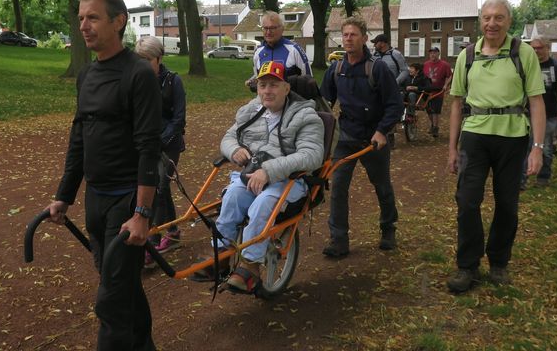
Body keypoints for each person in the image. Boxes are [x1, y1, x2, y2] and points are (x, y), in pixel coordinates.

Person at [45, 0, 162, 350]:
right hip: (97, 200)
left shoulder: (139, 75)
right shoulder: (87, 75)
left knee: (109, 300)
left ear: (119, 21)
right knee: (121, 284)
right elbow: (79, 137)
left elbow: (149, 148)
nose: (84, 25)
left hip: (128, 202)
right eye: (81, 18)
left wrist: (142, 213)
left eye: (93, 17)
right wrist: (64, 195)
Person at [446, 0, 546, 293]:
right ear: (480, 21)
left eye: (499, 18)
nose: (492, 23)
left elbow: (537, 102)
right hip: (474, 136)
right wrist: (452, 148)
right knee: (466, 201)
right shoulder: (467, 55)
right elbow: (456, 104)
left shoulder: (523, 53)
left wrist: (537, 147)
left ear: (508, 21)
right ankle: (468, 265)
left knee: (507, 204)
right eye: (487, 18)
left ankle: (499, 262)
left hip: (513, 137)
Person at [206, 61, 324, 293]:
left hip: (288, 180)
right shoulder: (252, 110)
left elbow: (312, 155)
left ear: (286, 88)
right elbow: (228, 138)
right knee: (231, 198)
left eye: (273, 85)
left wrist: (269, 170)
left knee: (262, 204)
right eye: (262, 85)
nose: (267, 91)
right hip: (251, 176)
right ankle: (220, 257)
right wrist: (234, 150)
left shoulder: (305, 115)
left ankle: (250, 266)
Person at [320, 16, 404, 257]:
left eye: (353, 34)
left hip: (373, 138)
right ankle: (338, 239)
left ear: (365, 38)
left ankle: (388, 229)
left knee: (382, 186)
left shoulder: (377, 68)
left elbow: (395, 105)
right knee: (338, 188)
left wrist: (382, 130)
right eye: (345, 34)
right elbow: (325, 103)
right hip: (345, 137)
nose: (348, 39)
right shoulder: (336, 69)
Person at [135, 36, 187, 267]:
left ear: (159, 58)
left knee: (159, 189)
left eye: (147, 60)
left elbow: (179, 119)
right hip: (147, 144)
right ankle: (173, 231)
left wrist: (162, 140)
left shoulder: (173, 81)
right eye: (140, 60)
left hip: (170, 144)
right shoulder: (139, 81)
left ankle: (152, 241)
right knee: (158, 189)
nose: (143, 65)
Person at [520, 36, 557, 189]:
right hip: (526, 113)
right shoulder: (526, 64)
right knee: (523, 147)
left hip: (549, 113)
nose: (536, 51)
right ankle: (522, 179)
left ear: (547, 48)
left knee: (545, 147)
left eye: (539, 48)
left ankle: (543, 177)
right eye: (533, 48)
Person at [245, 11, 312, 88]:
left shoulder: (295, 50)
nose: (268, 32)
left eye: (273, 28)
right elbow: (258, 80)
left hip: (293, 99)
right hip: (266, 98)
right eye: (265, 28)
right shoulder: (258, 52)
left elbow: (309, 80)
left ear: (282, 29)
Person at [423, 47, 453, 137]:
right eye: (431, 53)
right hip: (427, 91)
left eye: (435, 53)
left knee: (435, 110)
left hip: (438, 91)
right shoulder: (425, 64)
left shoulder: (445, 65)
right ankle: (433, 125)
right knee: (428, 110)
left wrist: (445, 85)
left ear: (438, 54)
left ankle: (436, 128)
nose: (433, 54)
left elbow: (449, 76)